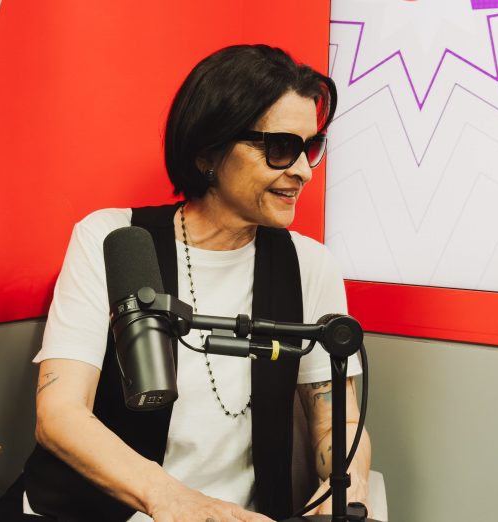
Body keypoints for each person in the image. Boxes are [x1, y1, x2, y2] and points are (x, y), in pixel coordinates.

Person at [19, 44, 371, 522]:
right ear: (210, 151)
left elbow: (338, 421)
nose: (304, 171)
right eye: (281, 148)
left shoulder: (310, 265)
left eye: (310, 148)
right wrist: (171, 498)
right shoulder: (112, 239)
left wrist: (345, 486)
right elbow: (60, 414)